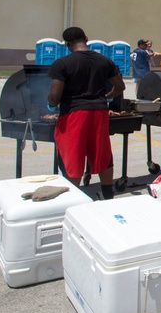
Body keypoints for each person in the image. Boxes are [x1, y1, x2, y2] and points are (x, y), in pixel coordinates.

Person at [47, 27, 125, 199]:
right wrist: (108, 97)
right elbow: (120, 87)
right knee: (102, 153)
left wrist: (52, 105)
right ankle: (107, 195)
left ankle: (72, 199)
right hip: (99, 113)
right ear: (86, 38)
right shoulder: (105, 61)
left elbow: (54, 96)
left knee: (72, 155)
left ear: (67, 44)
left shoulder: (62, 63)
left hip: (74, 115)